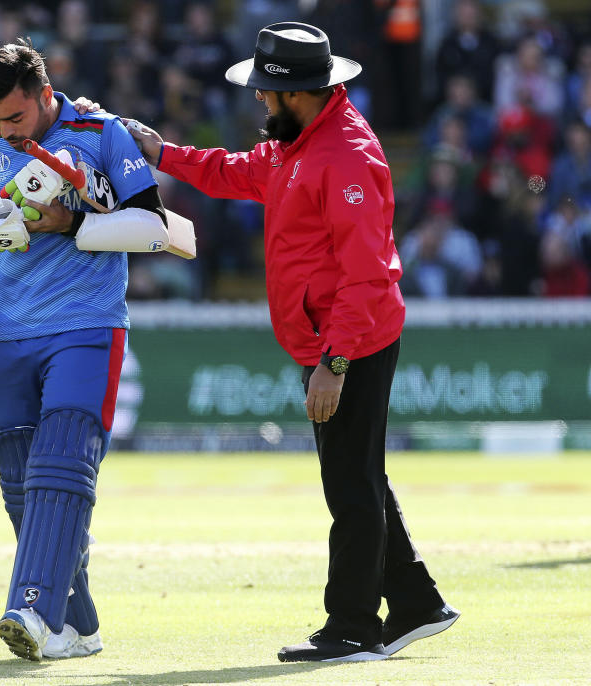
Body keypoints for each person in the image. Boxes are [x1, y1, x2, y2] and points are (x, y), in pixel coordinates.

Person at [125, 22, 460, 662]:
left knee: (350, 487)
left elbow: (368, 274)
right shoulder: (299, 143)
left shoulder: (345, 158)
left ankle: (353, 628)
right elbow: (237, 172)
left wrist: (334, 362)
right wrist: (162, 153)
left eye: (267, 93)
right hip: (330, 338)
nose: (259, 101)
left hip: (350, 340)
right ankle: (416, 602)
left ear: (298, 93)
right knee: (359, 477)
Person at [0, 39, 169, 661]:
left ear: (44, 95)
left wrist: (74, 225)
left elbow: (152, 225)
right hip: (9, 332)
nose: (5, 131)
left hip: (87, 324)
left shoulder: (100, 131)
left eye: (16, 117)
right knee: (21, 486)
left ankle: (32, 611)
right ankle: (78, 624)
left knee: (60, 467)